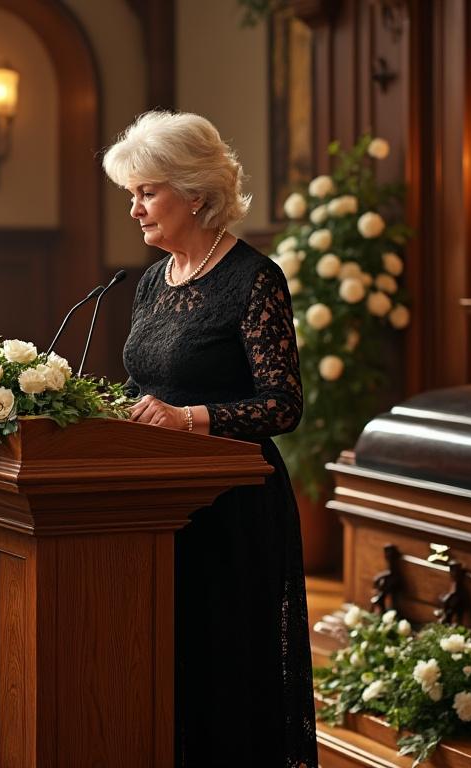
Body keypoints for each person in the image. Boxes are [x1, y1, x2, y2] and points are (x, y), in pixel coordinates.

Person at [103, 110, 315, 766]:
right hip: (157, 504)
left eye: (146, 192)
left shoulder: (255, 280)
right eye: (131, 195)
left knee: (228, 670)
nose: (135, 210)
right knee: (168, 664)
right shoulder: (150, 283)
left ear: (194, 193)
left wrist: (187, 418)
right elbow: (143, 382)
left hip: (234, 508)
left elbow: (283, 404)